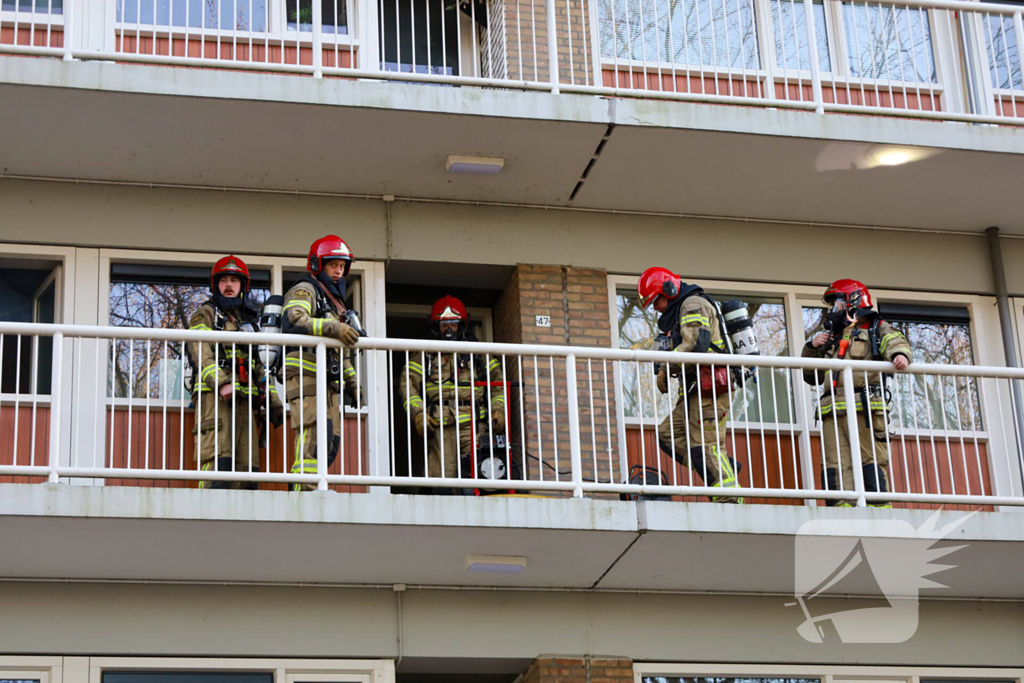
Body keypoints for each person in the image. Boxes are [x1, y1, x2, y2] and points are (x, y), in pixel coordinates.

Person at [802, 279, 911, 507]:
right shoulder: (831, 336)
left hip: (865, 407)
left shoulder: (875, 327)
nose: (833, 309)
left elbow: (896, 342)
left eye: (836, 303)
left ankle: (878, 513)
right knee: (833, 464)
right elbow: (812, 376)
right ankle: (841, 513)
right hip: (832, 411)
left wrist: (899, 355)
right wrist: (812, 347)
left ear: (853, 301)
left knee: (870, 461)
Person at [638, 267, 742, 503]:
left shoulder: (692, 304)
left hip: (710, 389)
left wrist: (666, 367)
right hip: (695, 392)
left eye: (656, 301)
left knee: (706, 447)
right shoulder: (681, 310)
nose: (655, 308)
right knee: (667, 434)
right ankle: (721, 467)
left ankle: (730, 500)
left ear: (668, 290)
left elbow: (695, 345)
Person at [187, 255, 280, 489]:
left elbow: (260, 366)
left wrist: (273, 401)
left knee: (247, 473)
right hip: (215, 400)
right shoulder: (206, 314)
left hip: (245, 402)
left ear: (243, 286)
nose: (229, 285)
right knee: (219, 466)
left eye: (234, 280)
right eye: (224, 280)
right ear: (215, 285)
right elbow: (200, 350)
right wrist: (220, 382)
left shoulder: (248, 323)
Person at [281, 235, 363, 492]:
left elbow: (340, 353)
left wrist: (353, 384)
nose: (338, 271)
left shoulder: (334, 303)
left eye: (342, 266)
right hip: (305, 376)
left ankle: (314, 488)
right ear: (318, 265)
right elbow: (293, 319)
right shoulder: (306, 289)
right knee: (315, 432)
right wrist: (334, 327)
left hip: (327, 382)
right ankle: (303, 493)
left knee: (330, 439)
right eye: (333, 265)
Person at [399, 296, 506, 484]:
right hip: (442, 427)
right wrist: (419, 414)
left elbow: (499, 382)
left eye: (453, 324)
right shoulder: (425, 354)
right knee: (440, 482)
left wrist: (499, 410)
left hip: (474, 426)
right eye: (444, 325)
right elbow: (407, 385)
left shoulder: (478, 353)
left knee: (479, 477)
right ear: (435, 327)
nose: (449, 329)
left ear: (462, 325)